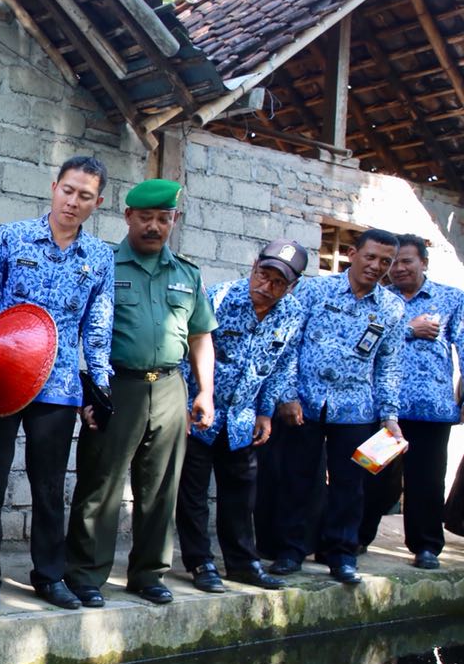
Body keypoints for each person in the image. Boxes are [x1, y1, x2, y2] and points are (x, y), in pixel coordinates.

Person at [0, 155, 113, 613]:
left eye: (85, 196)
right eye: (68, 190)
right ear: (53, 187)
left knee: (48, 486)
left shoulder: (99, 258)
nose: (73, 202)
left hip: (59, 387)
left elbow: (97, 332)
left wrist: (97, 392)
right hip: (1, 380)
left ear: (97, 202)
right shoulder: (10, 238)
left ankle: (49, 575)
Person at [64, 179, 216, 607]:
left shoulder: (188, 274)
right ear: (128, 217)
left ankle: (148, 573)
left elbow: (201, 334)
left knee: (161, 486)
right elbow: (76, 328)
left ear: (174, 221)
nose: (154, 227)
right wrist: (86, 393)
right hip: (117, 386)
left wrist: (205, 392)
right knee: (101, 484)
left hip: (169, 387)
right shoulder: (104, 264)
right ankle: (86, 574)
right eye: (145, 218)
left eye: (162, 219)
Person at [269, 229, 405, 584]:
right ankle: (290, 551)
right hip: (306, 404)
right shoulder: (315, 290)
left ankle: (341, 554)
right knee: (296, 480)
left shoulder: (391, 307)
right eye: (371, 257)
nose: (377, 267)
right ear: (352, 253)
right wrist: (287, 395)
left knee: (350, 484)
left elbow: (389, 364)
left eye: (386, 262)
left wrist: (389, 414)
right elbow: (288, 345)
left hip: (356, 408)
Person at [174, 239, 307, 593]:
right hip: (201, 414)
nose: (267, 286)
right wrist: (185, 404)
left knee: (240, 494)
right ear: (253, 266)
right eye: (263, 275)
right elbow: (188, 351)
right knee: (193, 493)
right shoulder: (219, 298)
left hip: (243, 419)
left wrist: (266, 412)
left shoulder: (292, 313)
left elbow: (281, 366)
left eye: (279, 282)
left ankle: (242, 563)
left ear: (292, 286)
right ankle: (200, 561)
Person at [358, 234, 461, 569]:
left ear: (424, 263)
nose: (398, 269)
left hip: (432, 409)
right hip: (386, 410)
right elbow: (364, 344)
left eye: (406, 261)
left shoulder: (450, 299)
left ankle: (426, 546)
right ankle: (356, 538)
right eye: (393, 262)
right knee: (372, 477)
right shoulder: (379, 299)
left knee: (427, 481)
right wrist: (409, 329)